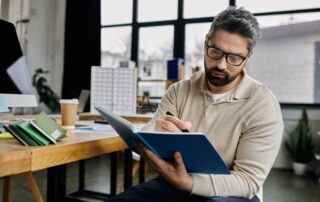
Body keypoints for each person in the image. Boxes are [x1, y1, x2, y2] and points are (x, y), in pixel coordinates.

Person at [109, 6, 283, 202]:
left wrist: (189, 183)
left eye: (234, 58)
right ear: (206, 42)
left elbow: (247, 180)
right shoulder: (179, 90)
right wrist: (156, 131)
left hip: (230, 194)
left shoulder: (263, 104)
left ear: (248, 57)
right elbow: (148, 135)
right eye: (215, 51)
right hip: (172, 185)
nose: (221, 65)